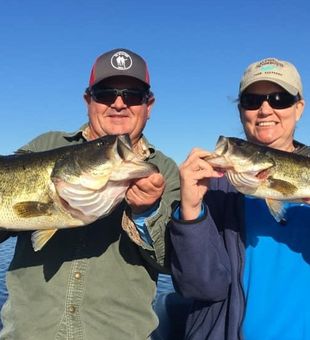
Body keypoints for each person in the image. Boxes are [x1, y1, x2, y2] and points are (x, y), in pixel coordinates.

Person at [0, 48, 180, 340]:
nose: (119, 104)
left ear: (149, 105)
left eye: (133, 95)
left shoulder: (164, 171)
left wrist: (146, 213)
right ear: (88, 101)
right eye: (106, 94)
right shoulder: (45, 145)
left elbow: (172, 264)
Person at [169, 57, 310, 339]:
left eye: (279, 99)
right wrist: (191, 210)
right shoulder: (216, 188)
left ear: (299, 108)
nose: (265, 109)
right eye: (252, 100)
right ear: (241, 110)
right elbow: (201, 286)